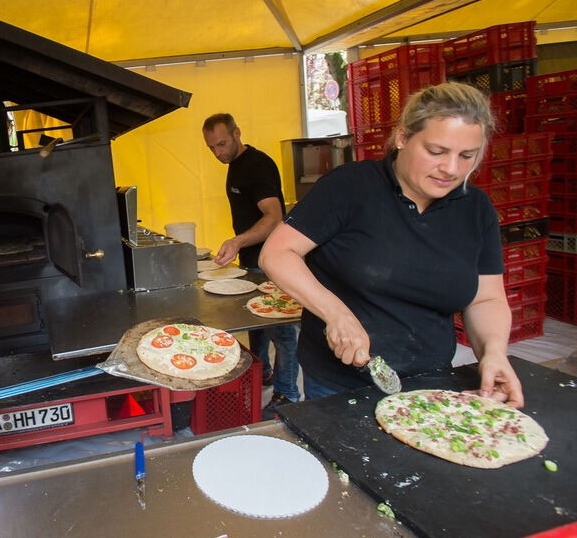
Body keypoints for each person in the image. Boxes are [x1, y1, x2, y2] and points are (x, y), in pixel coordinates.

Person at [259, 82, 524, 405]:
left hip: (432, 382)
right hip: (340, 385)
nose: (451, 169)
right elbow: (277, 253)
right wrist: (336, 314)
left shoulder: (476, 208)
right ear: (402, 138)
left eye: (467, 156)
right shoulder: (350, 187)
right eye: (436, 152)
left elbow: (486, 299)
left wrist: (494, 353)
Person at [202, 113, 301, 408]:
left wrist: (236, 241)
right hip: (251, 261)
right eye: (212, 148)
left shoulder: (257, 166)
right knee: (256, 324)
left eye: (221, 144)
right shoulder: (235, 165)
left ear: (237, 132)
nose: (218, 152)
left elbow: (273, 217)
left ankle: (288, 394)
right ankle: (263, 372)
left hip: (271, 262)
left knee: (282, 334)